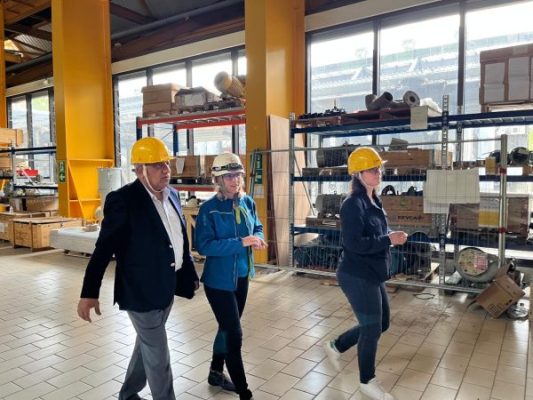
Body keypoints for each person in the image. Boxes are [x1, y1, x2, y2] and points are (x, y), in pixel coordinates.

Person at [77, 137, 199, 400]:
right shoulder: (123, 200)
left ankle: (129, 394)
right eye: (157, 165)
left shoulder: (173, 195)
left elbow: (179, 238)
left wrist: (189, 272)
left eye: (167, 163)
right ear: (139, 170)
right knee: (159, 356)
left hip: (166, 287)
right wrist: (89, 293)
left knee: (146, 345)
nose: (166, 170)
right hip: (140, 293)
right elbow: (103, 250)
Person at [323, 147, 407, 400]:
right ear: (358, 174)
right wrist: (388, 239)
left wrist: (390, 236)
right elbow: (354, 244)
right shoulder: (352, 204)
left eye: (379, 168)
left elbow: (376, 233)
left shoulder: (374, 200)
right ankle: (367, 382)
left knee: (382, 323)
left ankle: (336, 345)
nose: (378, 172)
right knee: (371, 330)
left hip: (373, 271)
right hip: (356, 274)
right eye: (372, 169)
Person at [195, 153, 267, 400]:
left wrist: (257, 237)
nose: (234, 180)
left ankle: (215, 372)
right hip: (218, 283)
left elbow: (257, 226)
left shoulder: (248, 202)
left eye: (237, 175)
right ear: (218, 179)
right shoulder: (209, 209)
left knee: (226, 328)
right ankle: (244, 392)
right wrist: (241, 242)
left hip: (242, 277)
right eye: (228, 176)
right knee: (234, 335)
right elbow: (204, 246)